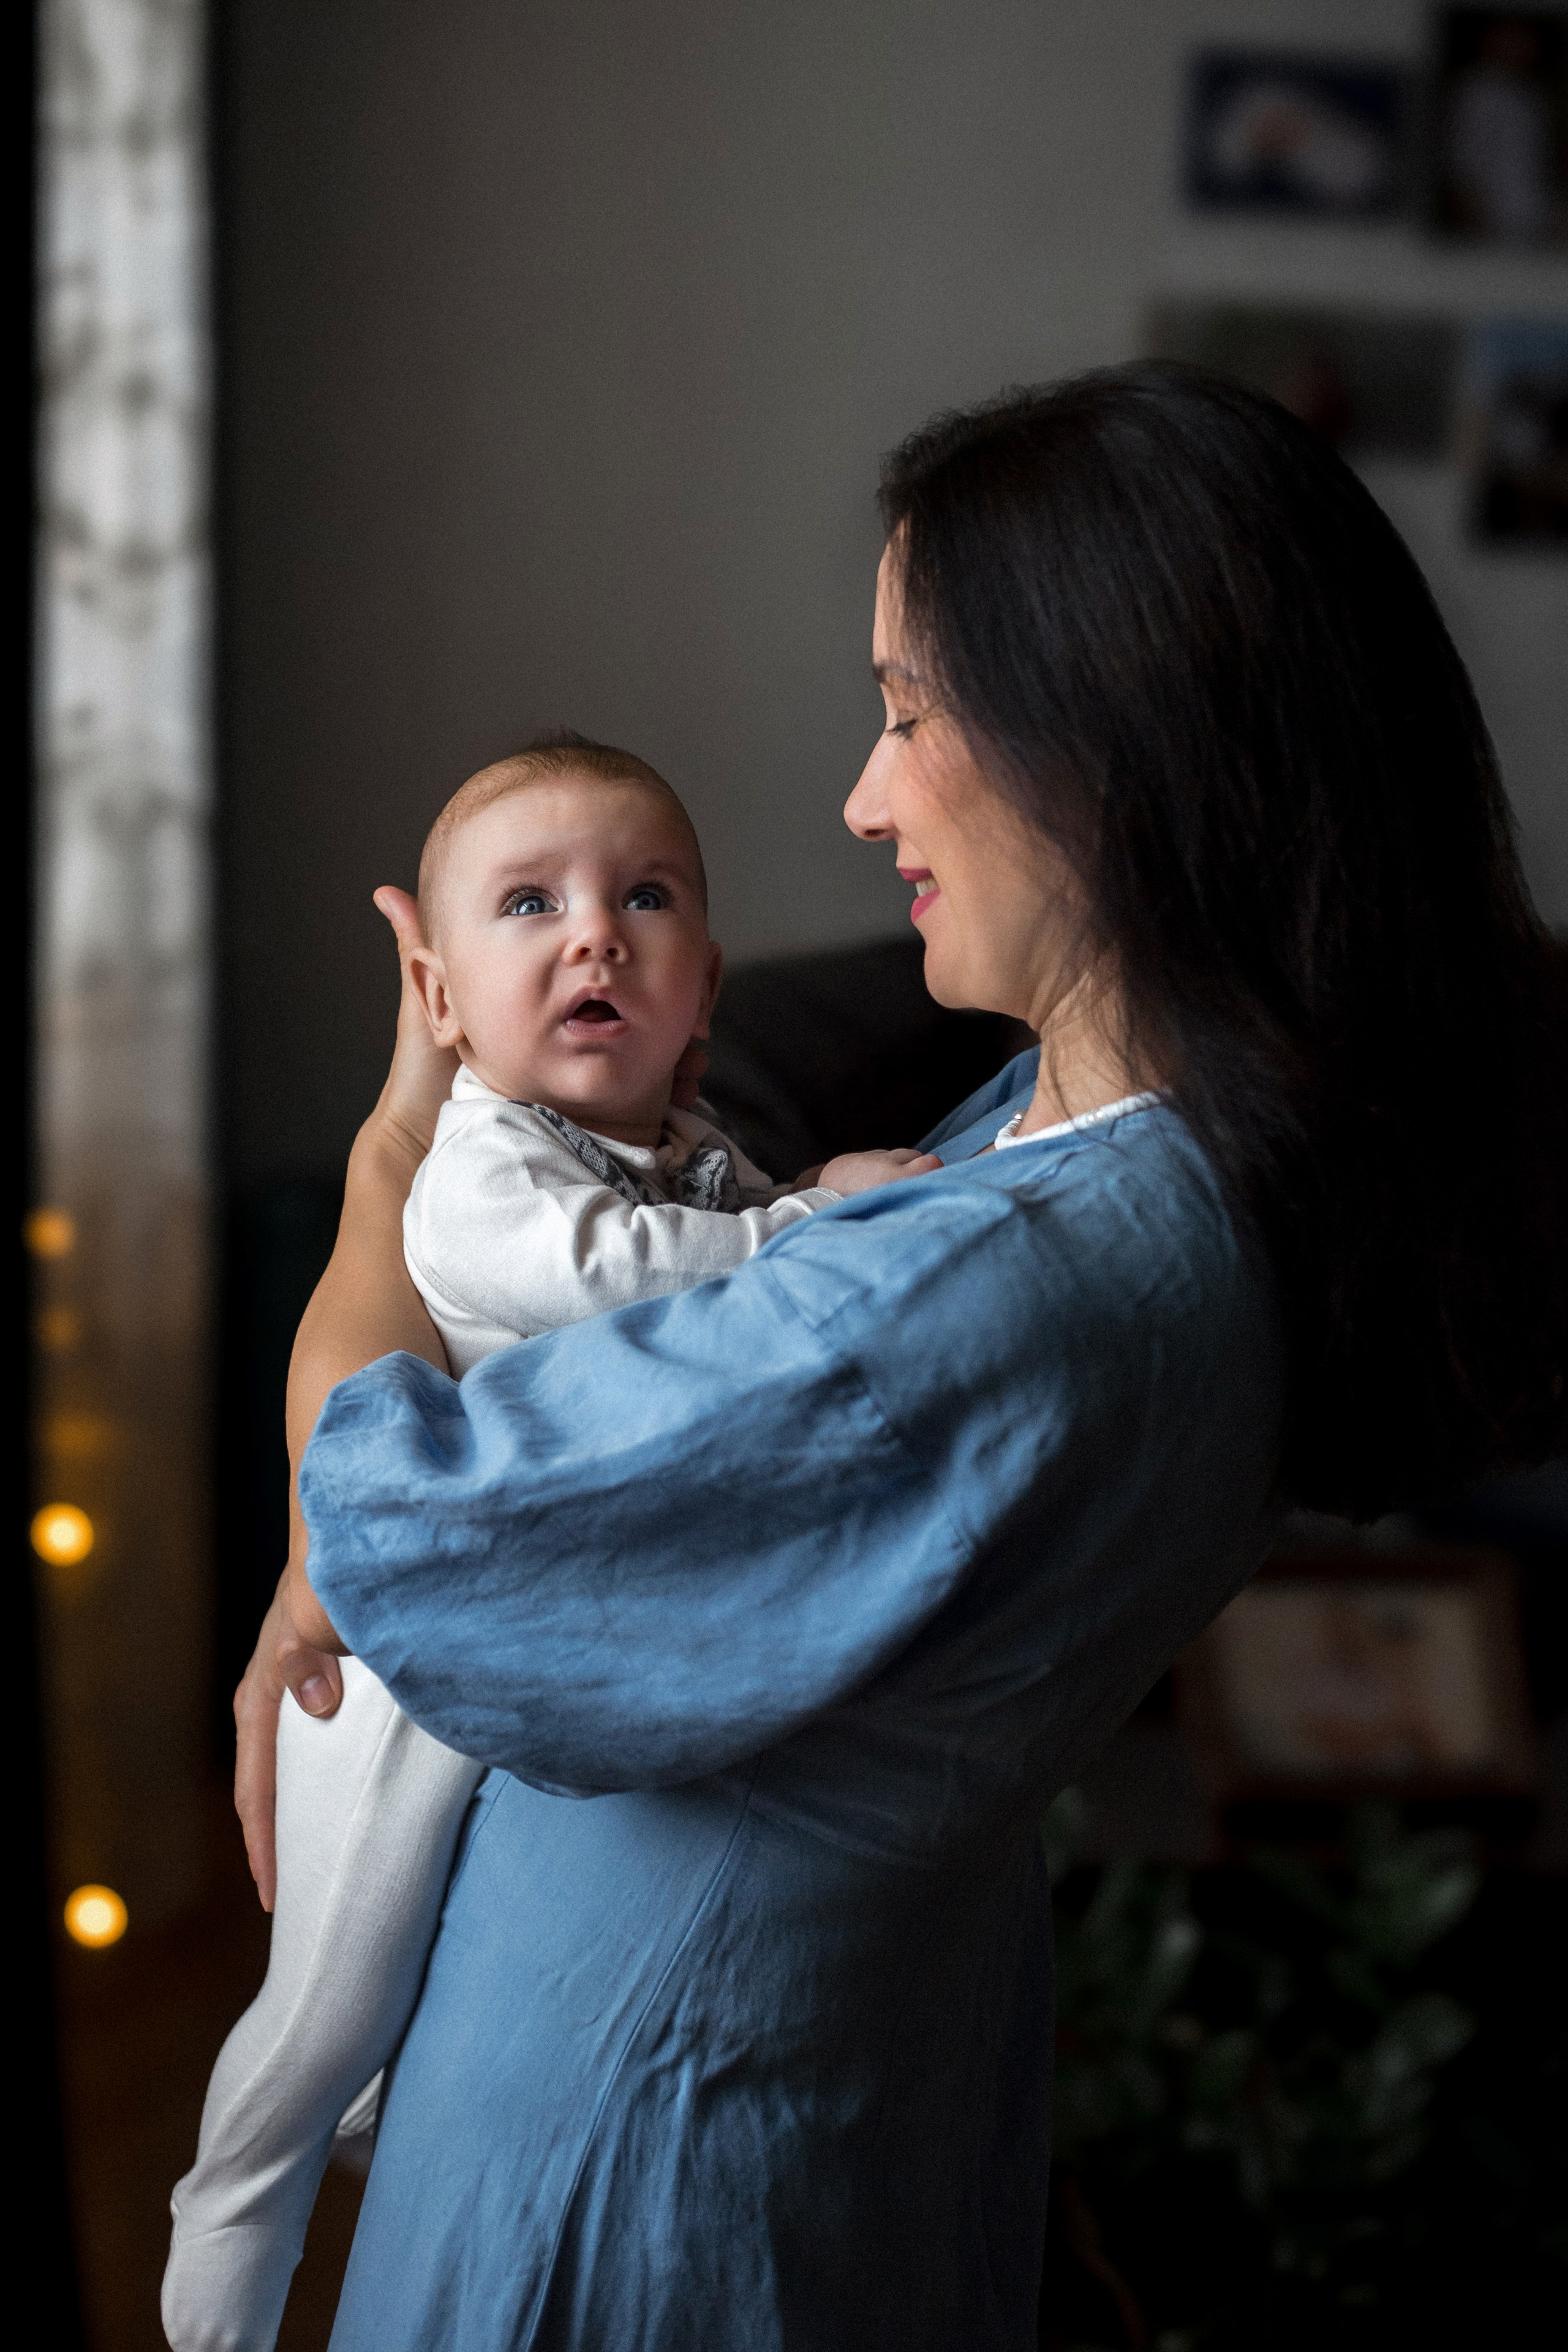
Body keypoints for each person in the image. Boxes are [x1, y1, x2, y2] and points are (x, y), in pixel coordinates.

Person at [232, 366, 1567, 2351]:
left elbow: (410, 1525)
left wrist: (391, 1154)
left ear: (1105, 745)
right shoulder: (1162, 1146)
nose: (864, 797)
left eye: (906, 712)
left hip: (643, 2147)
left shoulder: (984, 1295)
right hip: (852, 2073)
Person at [165, 739, 929, 2350]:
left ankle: (356, 2112)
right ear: (440, 1002)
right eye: (535, 904)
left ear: (703, 987)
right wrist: (824, 1213)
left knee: (412, 1976)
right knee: (329, 1993)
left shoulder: (698, 1156)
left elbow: (696, 1245)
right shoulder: (482, 1166)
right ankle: (234, 2199)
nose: (597, 935)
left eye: (644, 899)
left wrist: (776, 1198)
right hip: (396, 1667)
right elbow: (621, 1278)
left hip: (525, 1638)